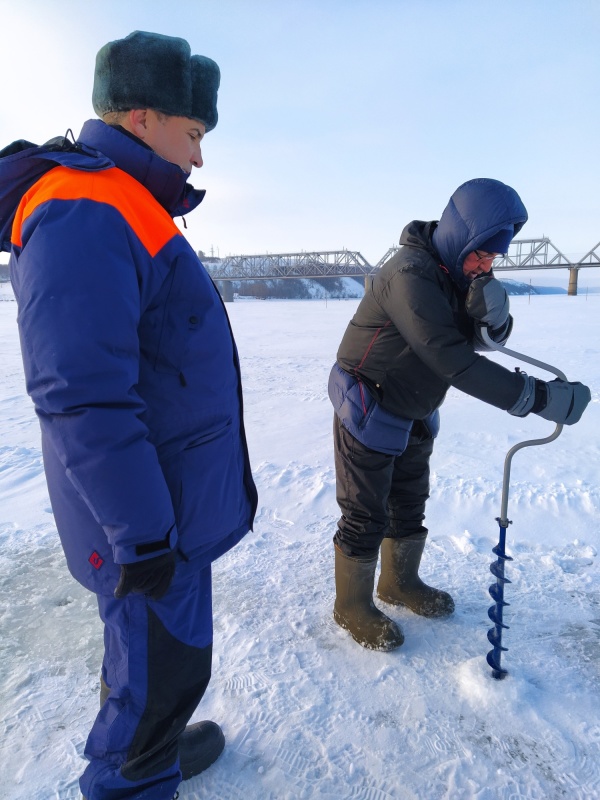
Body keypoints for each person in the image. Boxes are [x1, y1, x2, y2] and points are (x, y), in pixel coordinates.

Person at [0, 31, 257, 800]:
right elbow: (81, 394)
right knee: (156, 671)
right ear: (142, 117)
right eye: (194, 133)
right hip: (145, 521)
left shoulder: (123, 200)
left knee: (163, 658)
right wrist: (141, 532)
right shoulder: (84, 207)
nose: (200, 158)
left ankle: (158, 746)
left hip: (161, 504)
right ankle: (132, 776)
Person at [328, 178, 591, 652]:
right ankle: (351, 606)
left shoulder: (457, 275)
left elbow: (476, 339)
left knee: (409, 502)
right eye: (479, 255)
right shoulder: (408, 273)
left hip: (415, 406)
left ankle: (398, 584)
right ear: (458, 236)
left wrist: (494, 322)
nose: (485, 266)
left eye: (492, 259)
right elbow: (452, 359)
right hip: (369, 403)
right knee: (365, 512)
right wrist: (537, 398)